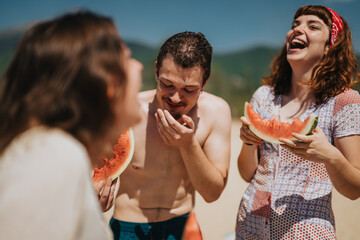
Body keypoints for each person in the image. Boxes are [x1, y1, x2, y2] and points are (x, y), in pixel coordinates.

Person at [0, 10, 143, 240]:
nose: (139, 66)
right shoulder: (57, 155)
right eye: (127, 58)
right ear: (108, 84)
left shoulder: (51, 151)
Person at [236, 5, 360, 240]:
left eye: (312, 26)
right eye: (295, 25)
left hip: (305, 230)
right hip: (250, 222)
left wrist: (330, 155)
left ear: (329, 46)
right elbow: (248, 174)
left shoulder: (344, 101)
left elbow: (355, 189)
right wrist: (248, 142)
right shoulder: (264, 96)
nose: (297, 29)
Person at [110, 31, 232, 239]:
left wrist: (188, 145)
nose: (176, 97)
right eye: (167, 84)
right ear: (156, 71)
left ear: (205, 82)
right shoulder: (126, 110)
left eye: (189, 89)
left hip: (183, 225)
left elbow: (212, 194)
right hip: (128, 226)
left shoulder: (216, 112)